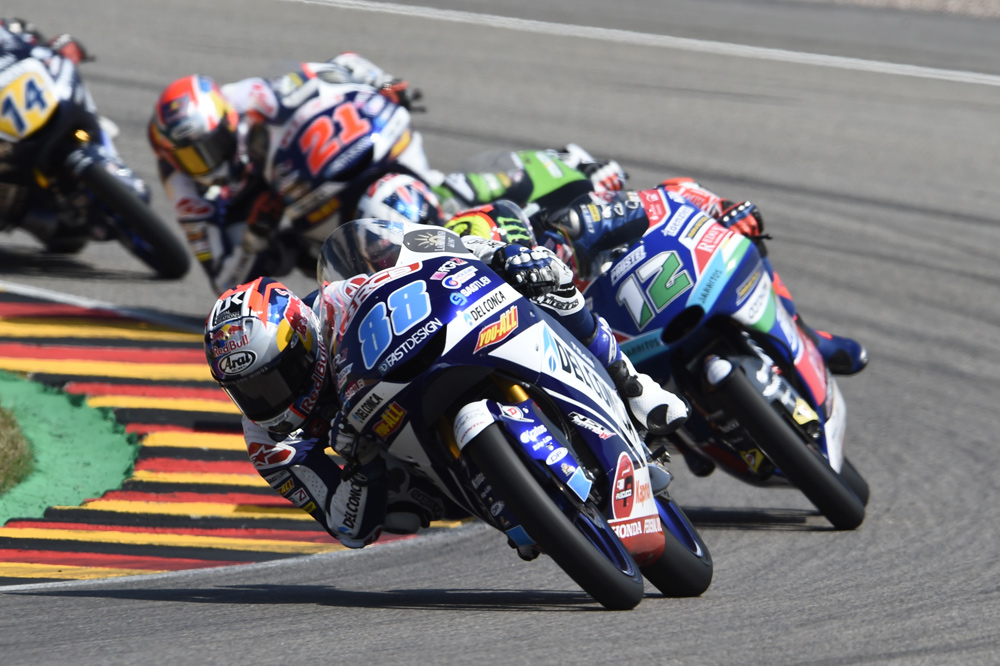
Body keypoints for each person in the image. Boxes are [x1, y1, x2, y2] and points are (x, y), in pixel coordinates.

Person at [204, 206, 689, 555]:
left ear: (304, 336)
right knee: (400, 511)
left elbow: (428, 249)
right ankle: (508, 501)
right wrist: (362, 466)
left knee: (548, 280)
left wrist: (499, 255)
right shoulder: (267, 440)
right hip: (389, 455)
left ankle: (633, 385)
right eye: (249, 391)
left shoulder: (336, 300)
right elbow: (346, 527)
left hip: (421, 363)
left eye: (280, 374)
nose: (271, 397)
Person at [148, 54, 424, 294]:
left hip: (303, 178)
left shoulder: (249, 97)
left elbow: (341, 64)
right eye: (191, 159)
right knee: (290, 248)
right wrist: (256, 235)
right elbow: (224, 283)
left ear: (228, 120)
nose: (209, 161)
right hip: (248, 211)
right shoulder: (182, 184)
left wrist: (384, 83)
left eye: (212, 146)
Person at [0, 18, 142, 251]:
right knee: (62, 237)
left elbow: (25, 34)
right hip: (8, 154)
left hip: (26, 105)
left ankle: (101, 145)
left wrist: (55, 45)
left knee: (67, 90)